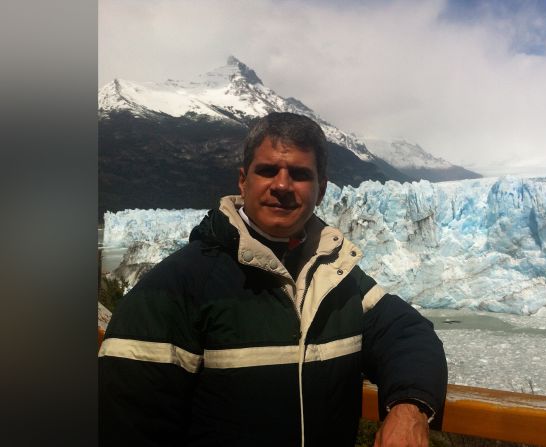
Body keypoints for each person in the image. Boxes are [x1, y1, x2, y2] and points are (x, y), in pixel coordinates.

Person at [98, 112, 448, 446]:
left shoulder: (338, 279)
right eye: (267, 170)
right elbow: (127, 426)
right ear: (243, 180)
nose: (282, 185)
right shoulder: (174, 288)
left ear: (321, 189)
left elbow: (406, 333)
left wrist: (409, 407)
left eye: (299, 174)